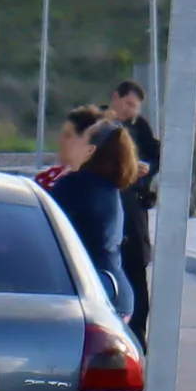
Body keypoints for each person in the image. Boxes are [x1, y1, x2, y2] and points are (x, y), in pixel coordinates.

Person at [42, 107, 136, 317]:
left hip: (93, 294)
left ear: (90, 150)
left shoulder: (76, 185)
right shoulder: (108, 187)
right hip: (114, 290)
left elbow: (39, 226)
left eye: (81, 139)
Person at [103, 77, 160, 333]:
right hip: (107, 204)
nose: (131, 111)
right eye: (128, 104)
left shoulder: (139, 127)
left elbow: (156, 155)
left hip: (134, 206)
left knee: (137, 269)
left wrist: (147, 168)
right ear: (115, 98)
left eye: (136, 106)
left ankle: (138, 333)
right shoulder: (99, 126)